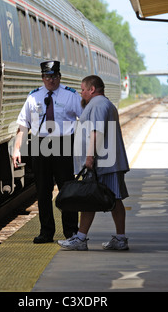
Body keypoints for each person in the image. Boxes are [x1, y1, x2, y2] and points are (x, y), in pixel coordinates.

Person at [12, 61, 83, 243]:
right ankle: (46, 232)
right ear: (42, 78)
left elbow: (85, 119)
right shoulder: (33, 97)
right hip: (39, 144)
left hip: (63, 144)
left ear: (59, 76)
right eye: (47, 77)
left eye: (54, 76)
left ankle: (71, 231)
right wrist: (16, 148)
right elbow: (23, 125)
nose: (51, 80)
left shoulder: (71, 96)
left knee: (67, 189)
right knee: (42, 190)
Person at [58, 75, 130, 251]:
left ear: (92, 89)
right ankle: (84, 238)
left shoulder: (98, 104)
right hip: (106, 163)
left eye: (83, 90)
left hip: (105, 164)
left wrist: (90, 157)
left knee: (113, 199)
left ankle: (114, 239)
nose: (81, 93)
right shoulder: (103, 104)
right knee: (91, 198)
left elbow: (96, 132)